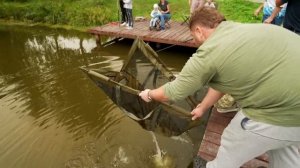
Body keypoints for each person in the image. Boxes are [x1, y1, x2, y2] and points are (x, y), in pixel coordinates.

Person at [139, 7, 300, 168]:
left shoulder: (210, 51)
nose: (194, 42)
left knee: (233, 138)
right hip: (293, 115)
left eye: (193, 37)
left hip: (280, 110)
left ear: (198, 30)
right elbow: (225, 81)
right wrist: (203, 107)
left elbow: (173, 92)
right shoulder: (238, 30)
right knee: (286, 145)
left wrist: (149, 94)